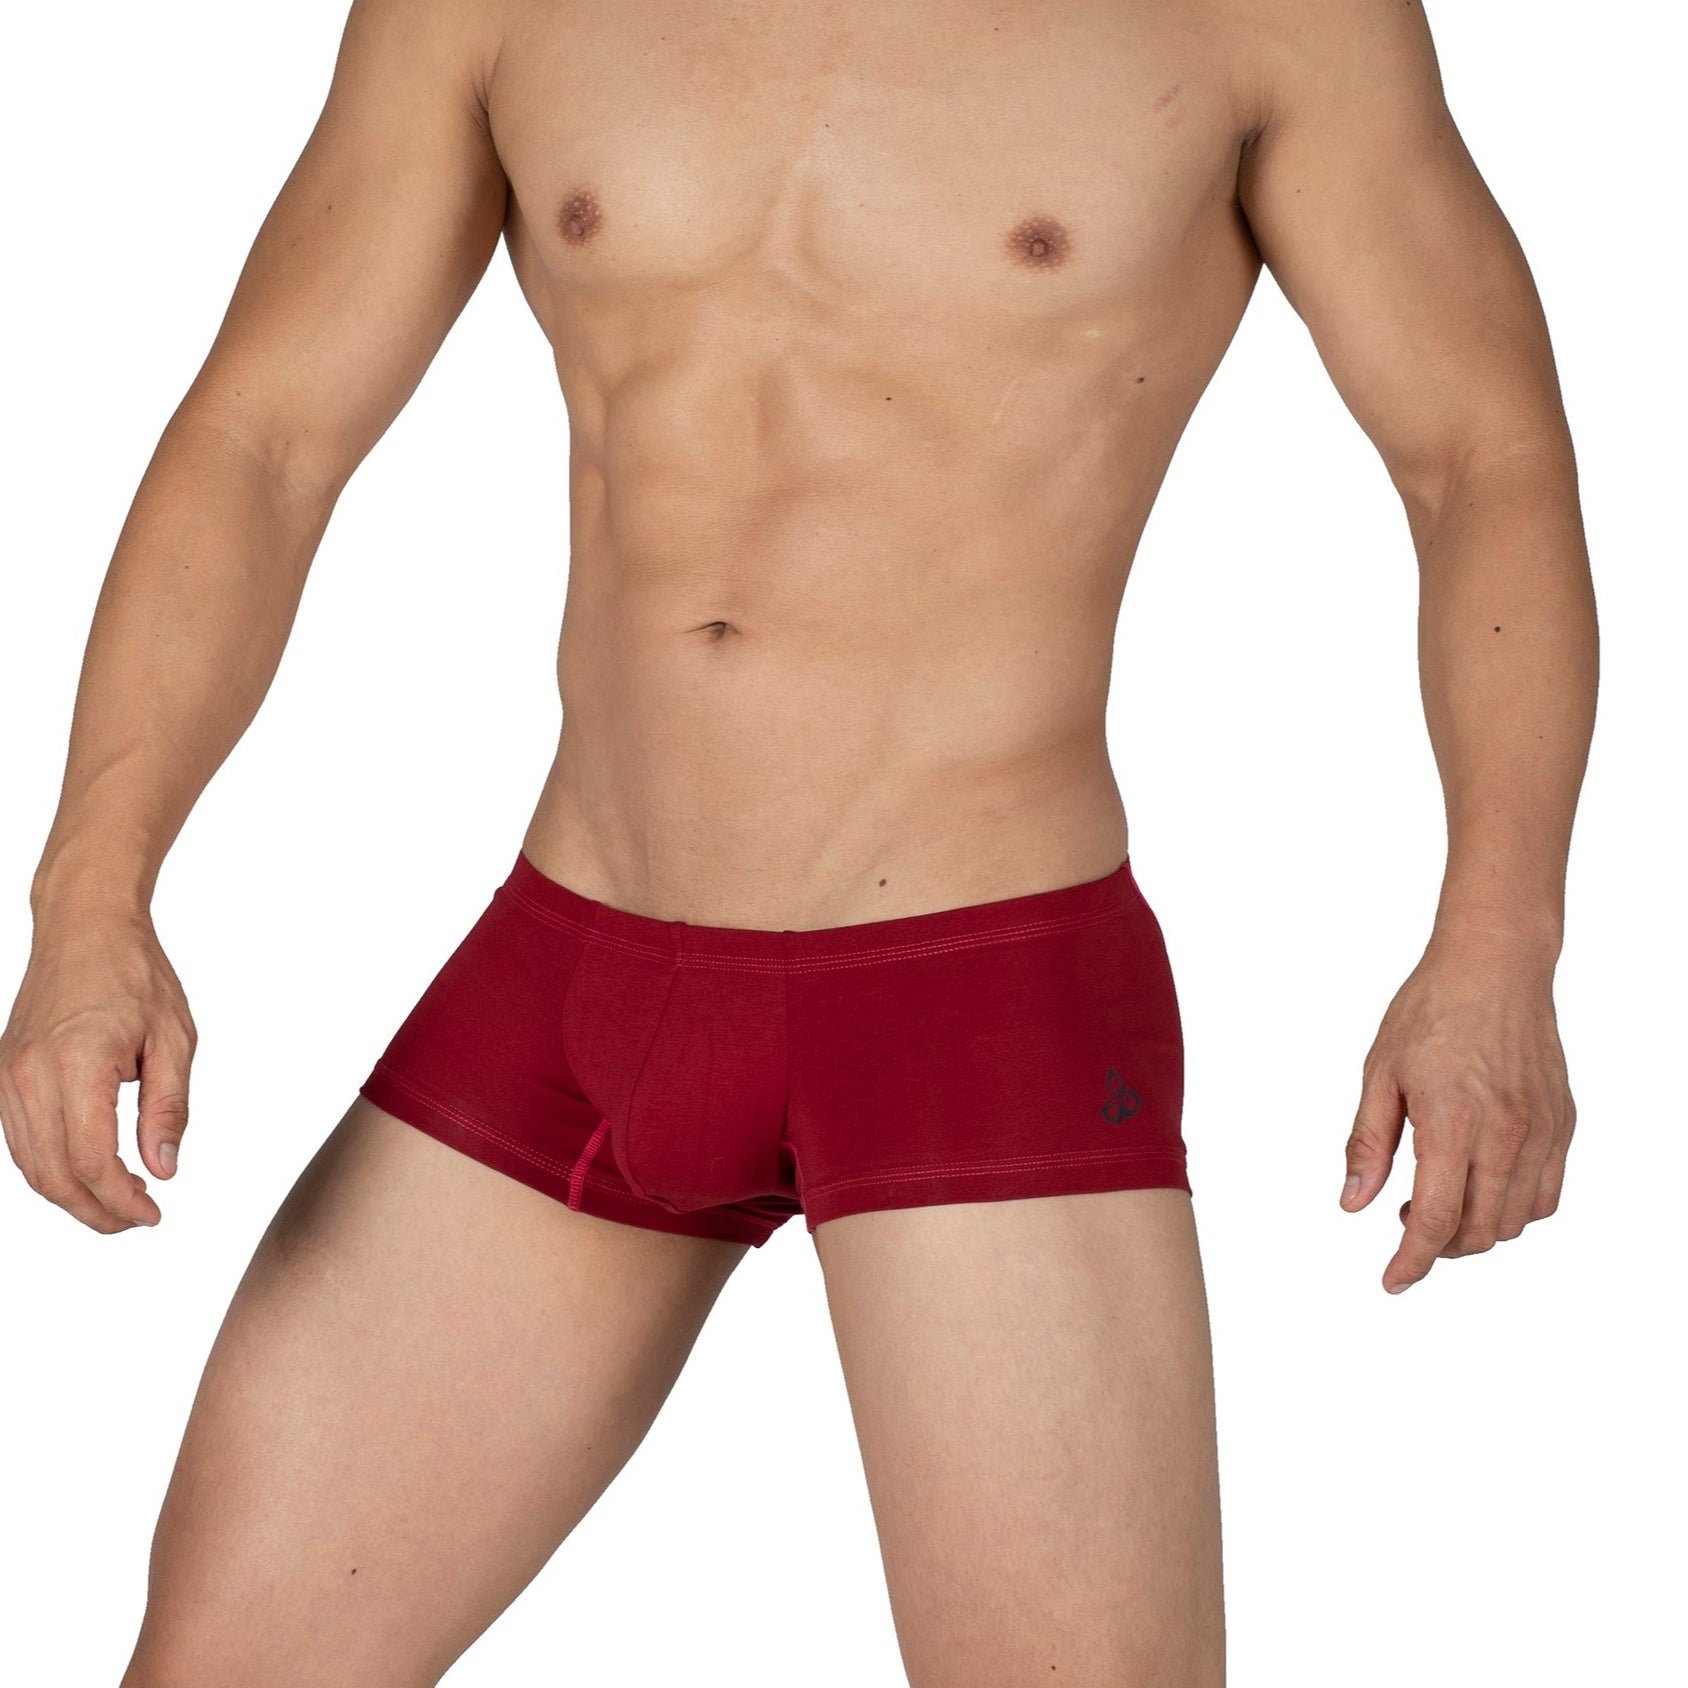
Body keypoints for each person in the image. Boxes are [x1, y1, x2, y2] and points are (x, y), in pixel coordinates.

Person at [0, 0, 1594, 1681]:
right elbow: (264, 436)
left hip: (976, 1001)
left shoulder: (1270, 19)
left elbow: (1479, 458)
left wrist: (1499, 947)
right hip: (581, 969)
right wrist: (90, 895)